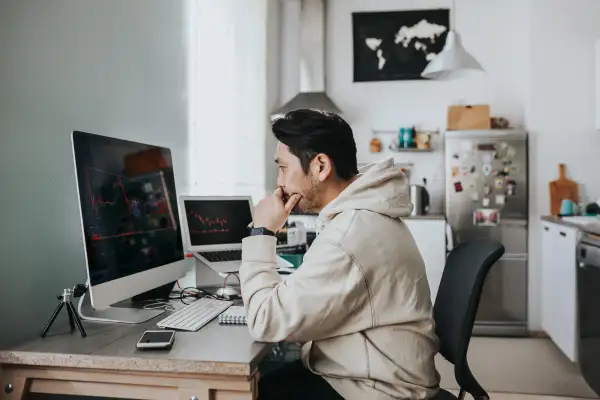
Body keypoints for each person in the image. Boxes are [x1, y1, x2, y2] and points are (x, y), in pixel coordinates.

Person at [239, 109, 440, 400]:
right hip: (367, 374)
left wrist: (261, 232)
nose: (279, 183)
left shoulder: (349, 236)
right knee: (265, 374)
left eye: (283, 167)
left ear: (320, 166)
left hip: (373, 390)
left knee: (248, 389)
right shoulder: (358, 219)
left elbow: (264, 321)